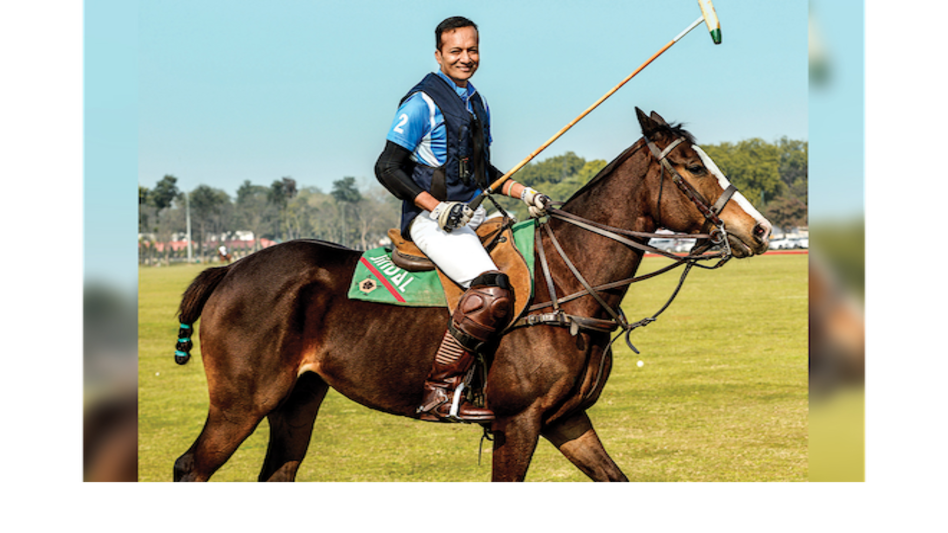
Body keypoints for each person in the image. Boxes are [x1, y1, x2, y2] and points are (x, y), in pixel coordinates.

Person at [375, 16, 550, 423]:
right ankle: (438, 392)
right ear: (438, 55)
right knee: (491, 290)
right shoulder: (422, 103)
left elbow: (481, 173)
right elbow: (386, 167)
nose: (465, 58)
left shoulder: (477, 101)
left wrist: (525, 193)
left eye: (472, 50)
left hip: (472, 217)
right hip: (430, 220)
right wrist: (435, 207)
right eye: (455, 51)